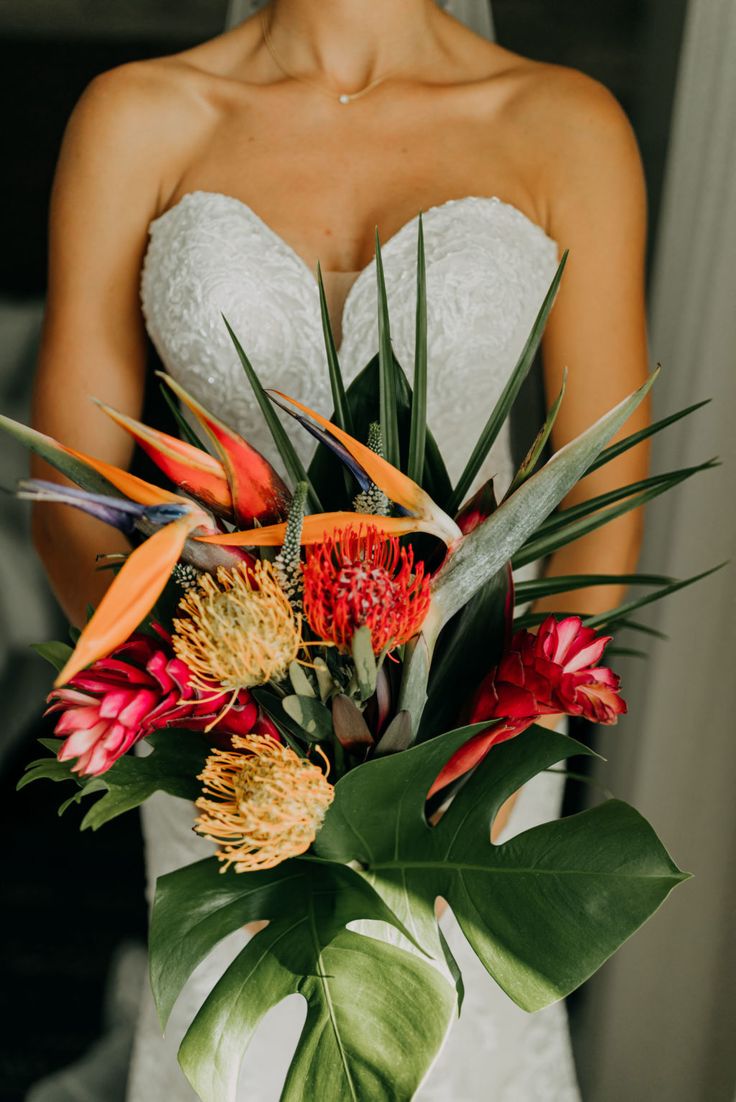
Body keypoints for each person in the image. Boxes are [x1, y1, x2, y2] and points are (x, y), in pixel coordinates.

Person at [30, 0, 650, 1097]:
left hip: (472, 731)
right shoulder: (136, 117)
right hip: (219, 727)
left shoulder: (565, 124)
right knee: (231, 1055)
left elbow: (602, 485)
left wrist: (497, 736)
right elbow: (69, 490)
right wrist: (210, 700)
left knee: (457, 1041)